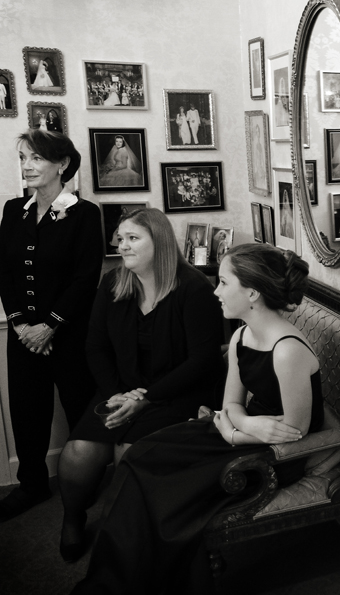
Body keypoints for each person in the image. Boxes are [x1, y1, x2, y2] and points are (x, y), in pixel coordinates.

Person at [71, 244, 322, 594]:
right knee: (141, 456)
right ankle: (116, 580)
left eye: (223, 282)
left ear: (251, 292)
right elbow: (231, 403)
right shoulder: (241, 336)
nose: (215, 291)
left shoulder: (287, 351)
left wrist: (234, 429)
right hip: (242, 432)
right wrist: (239, 425)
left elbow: (295, 433)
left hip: (273, 456)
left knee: (165, 490)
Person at [57, 207, 225, 562]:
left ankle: (126, 537)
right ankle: (72, 517)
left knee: (128, 454)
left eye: (133, 238)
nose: (123, 246)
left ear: (159, 242)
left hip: (175, 394)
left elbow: (203, 360)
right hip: (119, 389)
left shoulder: (194, 288)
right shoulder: (113, 282)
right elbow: (96, 346)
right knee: (77, 454)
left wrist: (148, 398)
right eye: (121, 238)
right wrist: (114, 393)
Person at [0, 130, 103, 522]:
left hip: (70, 335)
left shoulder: (84, 213)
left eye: (36, 158)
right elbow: (4, 272)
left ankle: (85, 481)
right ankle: (31, 485)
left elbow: (85, 277)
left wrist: (50, 326)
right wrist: (22, 325)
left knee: (80, 408)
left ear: (62, 165)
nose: (26, 165)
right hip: (23, 335)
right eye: (23, 158)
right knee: (27, 411)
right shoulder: (14, 210)